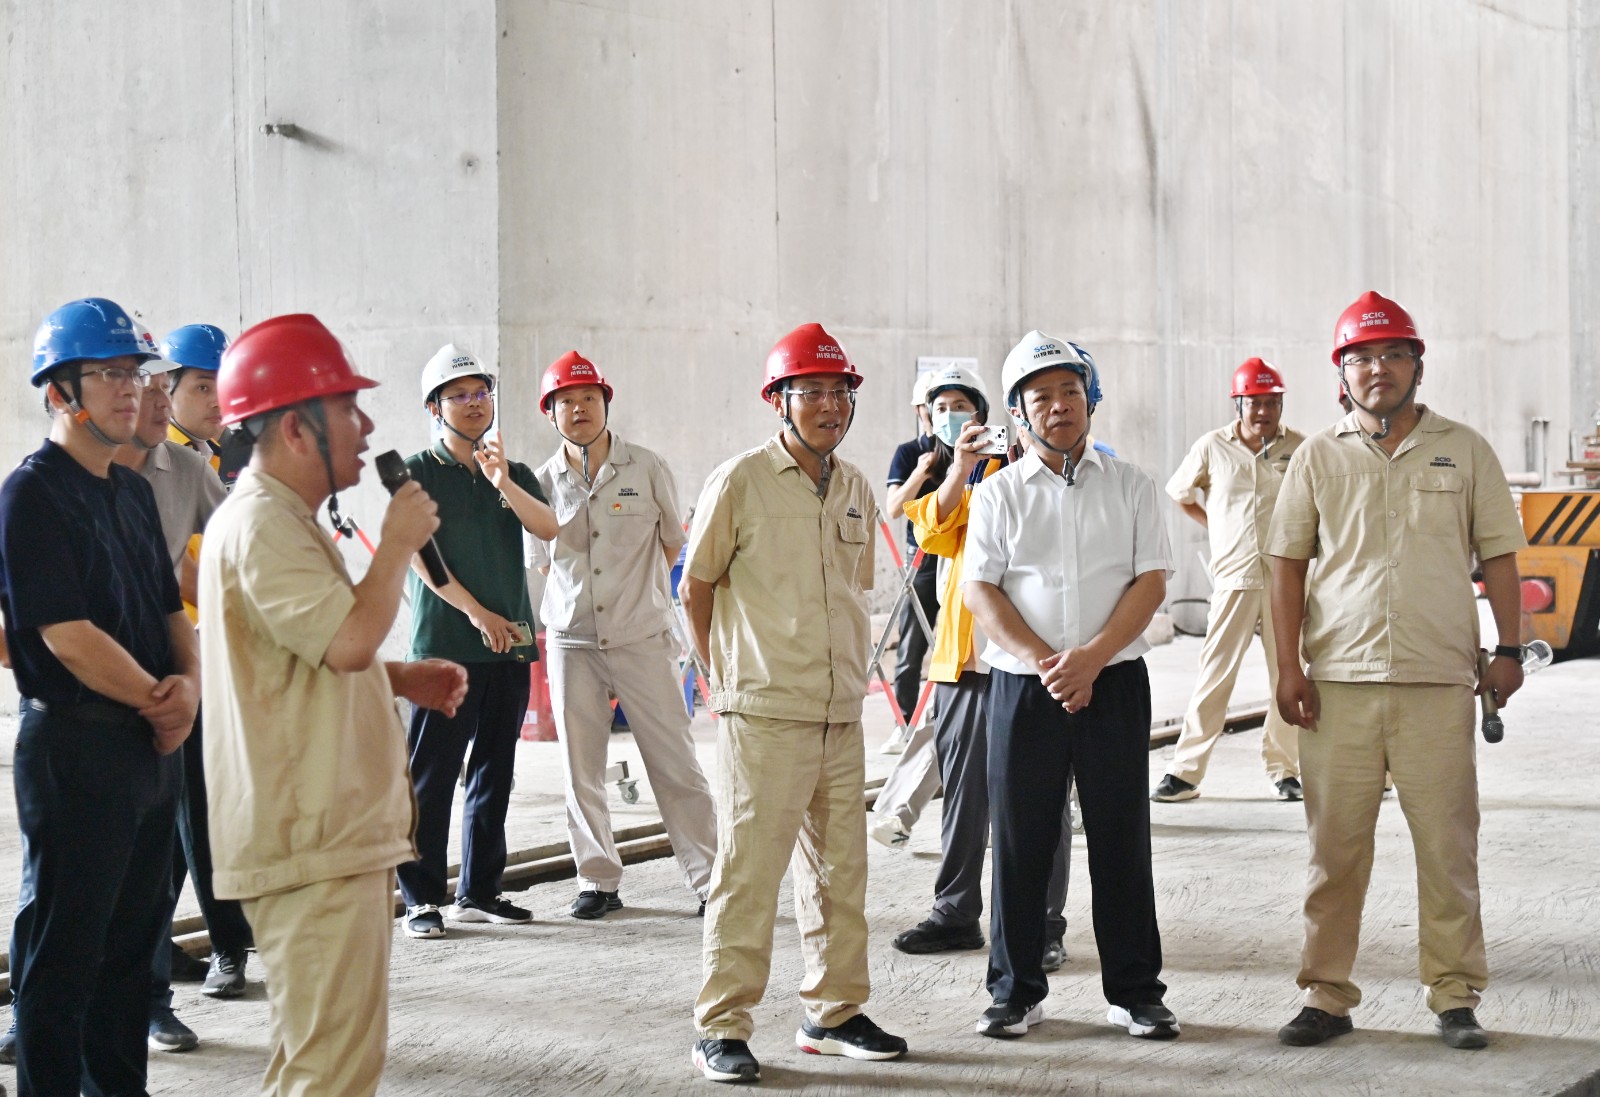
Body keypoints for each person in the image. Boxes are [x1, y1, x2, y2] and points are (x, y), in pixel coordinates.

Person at [200, 313, 468, 1095]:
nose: (368, 427)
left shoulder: (281, 520)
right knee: (332, 1071)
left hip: (321, 834)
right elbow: (347, 639)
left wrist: (397, 677)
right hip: (310, 838)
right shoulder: (262, 523)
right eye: (348, 408)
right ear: (295, 427)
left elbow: (298, 658)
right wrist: (397, 543)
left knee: (316, 1060)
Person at [1268, 291, 1527, 1051]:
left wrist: (1509, 648)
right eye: (1360, 358)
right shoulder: (1317, 456)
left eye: (1391, 354)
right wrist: (1287, 666)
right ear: (1340, 373)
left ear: (1417, 364)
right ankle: (1326, 994)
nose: (1376, 369)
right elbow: (1286, 567)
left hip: (1436, 681)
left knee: (1448, 848)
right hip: (1338, 684)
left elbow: (1500, 555)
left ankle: (1454, 994)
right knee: (1335, 851)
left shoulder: (1465, 450)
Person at [682, 323, 907, 1083]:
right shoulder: (740, 481)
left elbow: (853, 591)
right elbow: (696, 588)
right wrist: (721, 681)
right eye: (811, 391)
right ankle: (721, 1026)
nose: (829, 406)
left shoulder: (856, 487)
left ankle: (833, 1013)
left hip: (840, 711)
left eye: (839, 392)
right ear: (778, 400)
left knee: (841, 874)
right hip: (764, 711)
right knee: (748, 873)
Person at [0, 297, 197, 1094]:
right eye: (109, 373)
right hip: (75, 750)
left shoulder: (130, 491)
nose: (131, 388)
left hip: (150, 749)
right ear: (60, 391)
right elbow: (66, 635)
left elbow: (169, 610)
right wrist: (163, 700)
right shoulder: (31, 494)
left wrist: (188, 689)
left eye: (135, 372)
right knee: (65, 957)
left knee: (129, 955)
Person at [963, 330, 1177, 1041]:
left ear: (1090, 399)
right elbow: (981, 591)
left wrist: (1091, 658)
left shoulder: (1133, 485)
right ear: (1018, 412)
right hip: (1025, 689)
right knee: (1020, 840)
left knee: (1122, 836)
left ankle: (1136, 993)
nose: (1059, 406)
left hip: (1113, 682)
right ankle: (1015, 992)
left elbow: (1151, 581)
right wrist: (1048, 662)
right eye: (1041, 396)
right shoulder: (998, 494)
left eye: (1070, 391)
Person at [886, 365, 1074, 971]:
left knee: (1042, 800)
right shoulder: (965, 480)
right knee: (962, 799)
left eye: (963, 406)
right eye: (941, 408)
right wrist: (961, 467)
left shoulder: (1045, 475)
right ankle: (956, 913)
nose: (953, 417)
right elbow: (930, 530)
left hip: (1032, 662)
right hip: (964, 662)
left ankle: (1042, 924)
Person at [533, 350, 717, 920]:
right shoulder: (540, 482)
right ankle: (597, 880)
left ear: (605, 403)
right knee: (581, 768)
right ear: (550, 413)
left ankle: (711, 881)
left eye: (589, 397)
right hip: (573, 642)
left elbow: (672, 543)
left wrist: (642, 596)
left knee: (675, 762)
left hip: (642, 636)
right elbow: (544, 563)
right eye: (566, 401)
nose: (579, 408)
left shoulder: (646, 467)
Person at [397, 344, 558, 939]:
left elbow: (549, 527)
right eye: (458, 395)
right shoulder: (414, 471)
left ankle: (481, 891)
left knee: (495, 771)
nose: (473, 403)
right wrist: (476, 613)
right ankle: (420, 899)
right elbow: (419, 555)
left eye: (481, 392)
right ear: (434, 407)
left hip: (508, 645)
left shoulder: (510, 472)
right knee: (431, 778)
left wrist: (502, 480)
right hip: (444, 649)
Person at [110, 325, 234, 1053]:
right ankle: (34, 1013)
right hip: (88, 703)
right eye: (141, 383)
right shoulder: (57, 483)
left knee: (157, 859)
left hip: (171, 692)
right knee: (68, 875)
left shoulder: (187, 470)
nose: (151, 398)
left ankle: (150, 997)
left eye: (159, 384)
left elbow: (204, 573)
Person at [1154, 358, 1304, 803]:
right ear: (1237, 404)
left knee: (1288, 675)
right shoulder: (1212, 447)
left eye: (1271, 403)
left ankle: (1285, 770)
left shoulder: (1300, 448)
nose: (1263, 412)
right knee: (1214, 676)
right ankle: (1185, 772)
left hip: (1285, 582)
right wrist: (1216, 526)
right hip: (1234, 580)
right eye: (1254, 403)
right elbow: (1180, 493)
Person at [883, 372, 942, 739]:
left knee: (962, 643)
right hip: (921, 560)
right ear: (919, 409)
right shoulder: (908, 453)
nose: (940, 412)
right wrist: (920, 473)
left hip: (962, 557)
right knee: (912, 644)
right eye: (933, 404)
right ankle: (903, 723)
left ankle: (950, 720)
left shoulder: (967, 449)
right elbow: (893, 507)